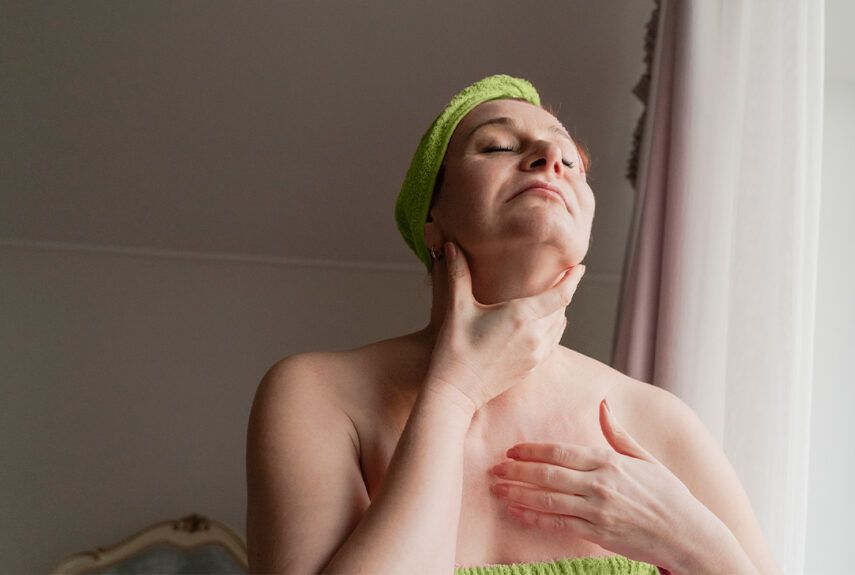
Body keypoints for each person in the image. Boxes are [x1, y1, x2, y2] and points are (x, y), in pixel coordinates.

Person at [245, 75, 781, 575]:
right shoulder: (318, 393)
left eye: (571, 160)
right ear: (430, 217)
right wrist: (454, 392)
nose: (552, 158)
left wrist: (694, 543)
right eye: (499, 146)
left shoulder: (659, 421)